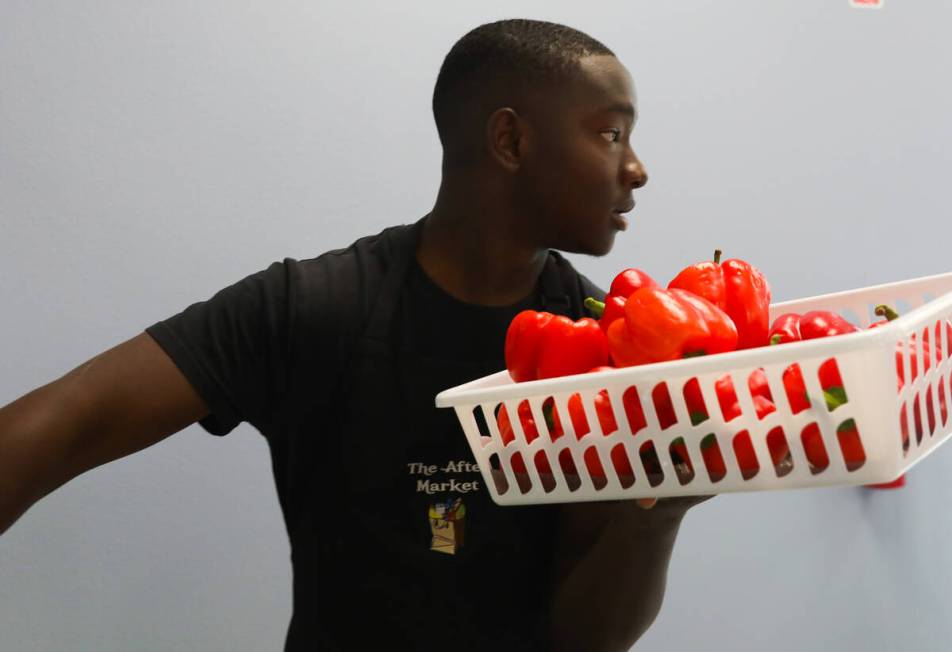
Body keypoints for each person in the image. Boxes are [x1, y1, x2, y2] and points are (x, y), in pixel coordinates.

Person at [0, 18, 711, 652]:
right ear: (511, 139)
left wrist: (658, 511)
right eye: (611, 132)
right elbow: (66, 426)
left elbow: (584, 638)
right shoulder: (317, 306)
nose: (636, 169)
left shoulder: (610, 344)